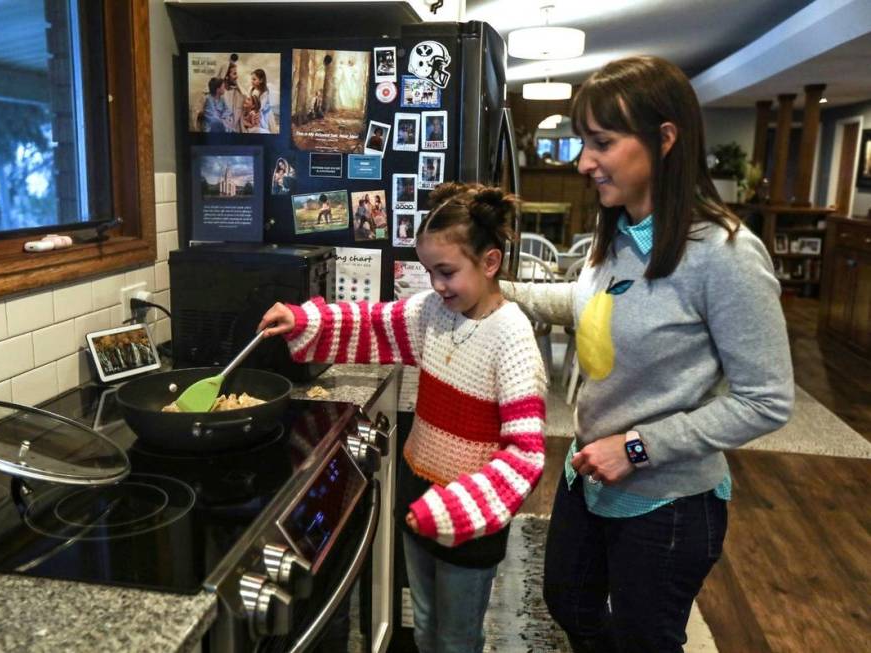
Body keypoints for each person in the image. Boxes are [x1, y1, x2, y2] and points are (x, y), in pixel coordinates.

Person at [502, 55, 793, 652]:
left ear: (664, 139)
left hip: (669, 502)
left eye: (601, 143)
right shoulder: (620, 235)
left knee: (646, 638)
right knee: (569, 600)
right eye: (584, 142)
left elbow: (766, 401)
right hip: (590, 476)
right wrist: (491, 289)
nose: (584, 163)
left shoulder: (726, 255)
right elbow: (589, 306)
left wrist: (639, 447)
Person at [259, 182, 547, 653]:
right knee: (428, 627)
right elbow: (372, 323)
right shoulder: (433, 312)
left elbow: (526, 455)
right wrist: (304, 320)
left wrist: (455, 507)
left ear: (490, 262)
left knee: (456, 639)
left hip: (471, 519)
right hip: (419, 497)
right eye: (430, 271)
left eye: (447, 272)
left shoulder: (511, 339)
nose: (436, 284)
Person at [249, 68, 276, 133]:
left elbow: (260, 106)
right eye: (252, 79)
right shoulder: (252, 90)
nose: (252, 81)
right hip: (257, 112)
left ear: (261, 80)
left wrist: (253, 111)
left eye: (254, 79)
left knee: (268, 130)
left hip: (265, 114)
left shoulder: (264, 92)